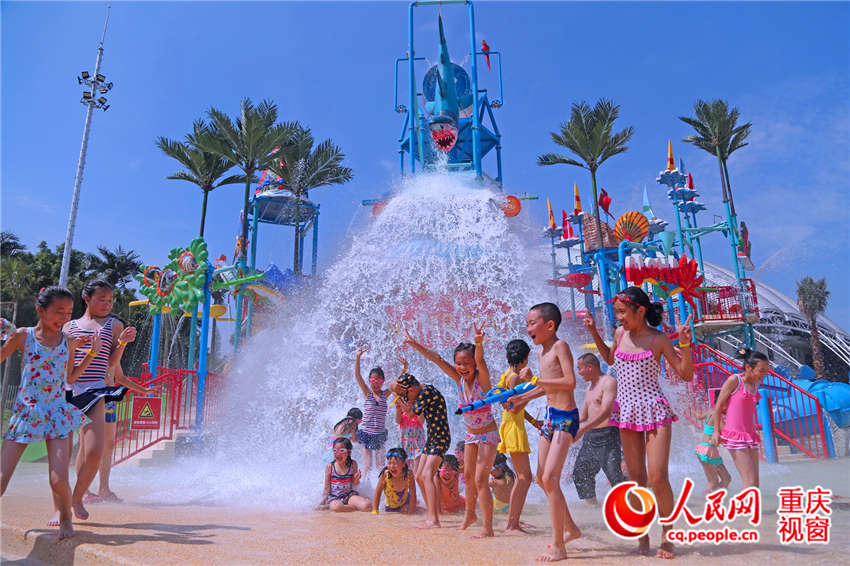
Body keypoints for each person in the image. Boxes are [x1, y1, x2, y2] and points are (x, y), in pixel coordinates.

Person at [584, 286, 693, 560]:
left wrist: (685, 344)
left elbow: (685, 374)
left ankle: (668, 537)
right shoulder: (620, 335)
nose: (618, 318)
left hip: (654, 411)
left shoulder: (658, 340)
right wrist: (594, 332)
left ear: (640, 310)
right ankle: (642, 536)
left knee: (658, 477)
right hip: (627, 413)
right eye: (616, 312)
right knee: (636, 479)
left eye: (622, 312)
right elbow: (609, 359)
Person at [0, 287, 95, 539]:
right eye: (58, 312)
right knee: (1, 478)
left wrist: (91, 352)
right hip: (25, 413)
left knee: (58, 479)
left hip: (56, 414)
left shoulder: (68, 341)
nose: (64, 318)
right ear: (41, 311)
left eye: (69, 313)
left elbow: (70, 377)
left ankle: (65, 518)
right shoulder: (23, 336)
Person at [404, 324, 499, 538]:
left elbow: (482, 361)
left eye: (467, 363)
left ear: (474, 364)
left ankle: (488, 527)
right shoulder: (458, 380)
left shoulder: (481, 381)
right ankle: (469, 516)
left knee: (480, 479)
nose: (462, 367)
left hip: (487, 434)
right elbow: (436, 359)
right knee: (467, 475)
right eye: (458, 363)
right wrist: (413, 344)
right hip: (470, 434)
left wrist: (478, 343)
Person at [510, 302, 582, 562]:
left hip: (565, 418)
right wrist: (523, 399)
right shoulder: (541, 353)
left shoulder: (560, 347)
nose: (528, 328)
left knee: (551, 477)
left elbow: (569, 382)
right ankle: (571, 528)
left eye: (532, 323)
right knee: (542, 477)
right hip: (550, 418)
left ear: (549, 326)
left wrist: (535, 381)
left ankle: (558, 545)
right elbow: (546, 388)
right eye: (527, 323)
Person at [61, 280, 136, 523]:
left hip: (98, 392)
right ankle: (78, 496)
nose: (107, 304)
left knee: (98, 446)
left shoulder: (114, 325)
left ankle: (83, 494)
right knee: (78, 446)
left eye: (110, 300)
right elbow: (63, 362)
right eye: (101, 299)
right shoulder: (69, 327)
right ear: (87, 299)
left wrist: (123, 342)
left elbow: (113, 364)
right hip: (71, 391)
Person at [387, 373, 450, 529]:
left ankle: (434, 520)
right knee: (419, 475)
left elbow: (409, 413)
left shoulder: (426, 392)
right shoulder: (420, 393)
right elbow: (392, 387)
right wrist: (394, 389)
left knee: (427, 474)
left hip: (441, 439)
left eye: (406, 394)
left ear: (413, 388)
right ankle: (431, 514)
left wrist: (397, 396)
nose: (407, 398)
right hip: (432, 440)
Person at [86, 358, 151, 503]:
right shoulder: (89, 343)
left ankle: (104, 489)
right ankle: (84, 490)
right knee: (88, 445)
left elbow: (120, 377)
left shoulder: (113, 348)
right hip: (91, 397)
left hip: (109, 400)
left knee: (109, 444)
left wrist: (142, 389)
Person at [571, 353, 626, 505]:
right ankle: (594, 509)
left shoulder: (609, 382)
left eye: (580, 368)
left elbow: (606, 413)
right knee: (580, 473)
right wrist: (561, 423)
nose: (579, 372)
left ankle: (631, 506)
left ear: (590, 367)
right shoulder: (589, 387)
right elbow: (582, 416)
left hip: (608, 436)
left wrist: (582, 430)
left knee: (615, 477)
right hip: (591, 437)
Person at [711, 348, 770, 489]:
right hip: (735, 436)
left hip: (750, 435)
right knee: (748, 482)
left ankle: (752, 510)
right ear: (749, 367)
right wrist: (716, 431)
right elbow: (718, 406)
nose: (764, 374)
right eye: (761, 370)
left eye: (766, 371)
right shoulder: (734, 380)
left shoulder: (756, 383)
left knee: (755, 484)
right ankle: (743, 511)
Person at [496, 338, 536, 533]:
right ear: (526, 358)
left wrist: (535, 422)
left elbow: (514, 404)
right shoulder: (515, 377)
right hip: (513, 427)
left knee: (524, 477)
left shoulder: (509, 374)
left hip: (513, 425)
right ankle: (512, 523)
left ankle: (515, 519)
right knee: (524, 477)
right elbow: (514, 406)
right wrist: (534, 385)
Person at [353, 346, 390, 476]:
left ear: (383, 381)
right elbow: (357, 376)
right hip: (367, 434)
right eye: (373, 380)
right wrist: (358, 357)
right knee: (367, 466)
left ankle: (381, 490)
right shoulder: (367, 393)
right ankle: (365, 488)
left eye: (378, 380)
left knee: (381, 466)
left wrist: (404, 368)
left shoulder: (385, 394)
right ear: (369, 380)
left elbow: (396, 384)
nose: (375, 383)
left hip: (380, 434)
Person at [320, 437, 371, 512]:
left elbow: (354, 484)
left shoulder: (353, 464)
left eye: (342, 451)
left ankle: (347, 507)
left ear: (349, 452)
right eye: (335, 450)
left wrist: (356, 480)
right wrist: (322, 503)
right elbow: (327, 488)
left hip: (349, 496)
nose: (338, 454)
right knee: (336, 507)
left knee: (367, 506)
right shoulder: (330, 467)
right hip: (335, 498)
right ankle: (353, 508)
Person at [694, 408, 731, 495]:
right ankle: (705, 501)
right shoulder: (717, 415)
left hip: (708, 450)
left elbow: (699, 417)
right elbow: (726, 432)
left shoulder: (710, 412)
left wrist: (695, 413)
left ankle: (716, 496)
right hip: (707, 451)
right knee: (713, 483)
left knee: (726, 478)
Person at [372, 447, 417, 514]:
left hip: (406, 503)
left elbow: (413, 495)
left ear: (404, 464)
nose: (392, 466)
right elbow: (377, 493)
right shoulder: (385, 475)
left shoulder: (409, 475)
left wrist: (411, 513)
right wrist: (375, 511)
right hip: (391, 508)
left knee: (421, 511)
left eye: (395, 463)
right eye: (389, 463)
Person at [396, 393, 425, 476]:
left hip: (417, 443)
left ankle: (416, 485)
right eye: (407, 401)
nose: (409, 404)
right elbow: (398, 421)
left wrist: (420, 408)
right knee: (405, 470)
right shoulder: (402, 412)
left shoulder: (418, 411)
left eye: (413, 401)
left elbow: (421, 422)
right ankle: (407, 486)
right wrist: (398, 408)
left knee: (416, 471)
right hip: (404, 443)